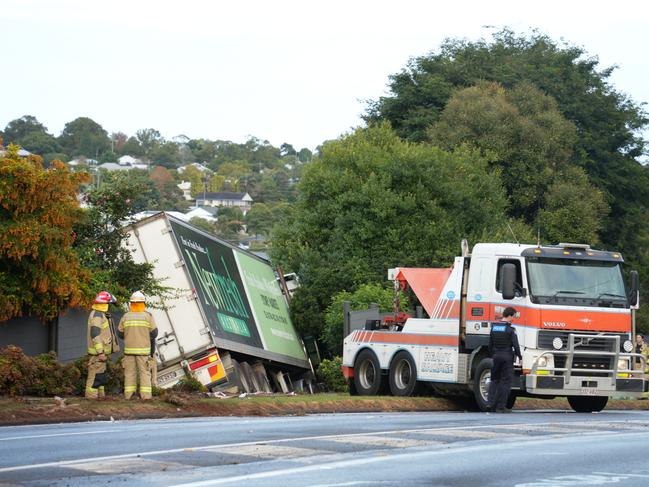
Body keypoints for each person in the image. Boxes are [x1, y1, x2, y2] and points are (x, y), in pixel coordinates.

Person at [117, 291, 158, 400]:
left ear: (131, 303)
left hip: (129, 352)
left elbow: (120, 333)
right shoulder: (147, 316)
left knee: (129, 374)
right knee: (145, 374)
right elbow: (154, 333)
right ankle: (146, 397)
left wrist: (129, 336)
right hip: (143, 352)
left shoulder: (125, 316)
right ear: (143, 303)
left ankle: (129, 396)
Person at [487, 306, 522, 413]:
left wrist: (494, 354)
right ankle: (501, 407)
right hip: (507, 357)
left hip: (496, 356)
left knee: (494, 380)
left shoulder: (494, 327)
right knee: (505, 382)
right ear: (510, 315)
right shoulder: (510, 329)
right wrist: (519, 357)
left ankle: (490, 404)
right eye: (513, 317)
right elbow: (515, 345)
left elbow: (490, 345)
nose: (513, 319)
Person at [85, 291, 117, 399]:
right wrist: (100, 352)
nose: (109, 306)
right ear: (104, 303)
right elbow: (95, 334)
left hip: (99, 355)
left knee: (100, 377)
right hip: (97, 354)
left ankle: (100, 398)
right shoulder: (97, 315)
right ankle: (91, 399)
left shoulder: (100, 314)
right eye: (109, 303)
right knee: (94, 378)